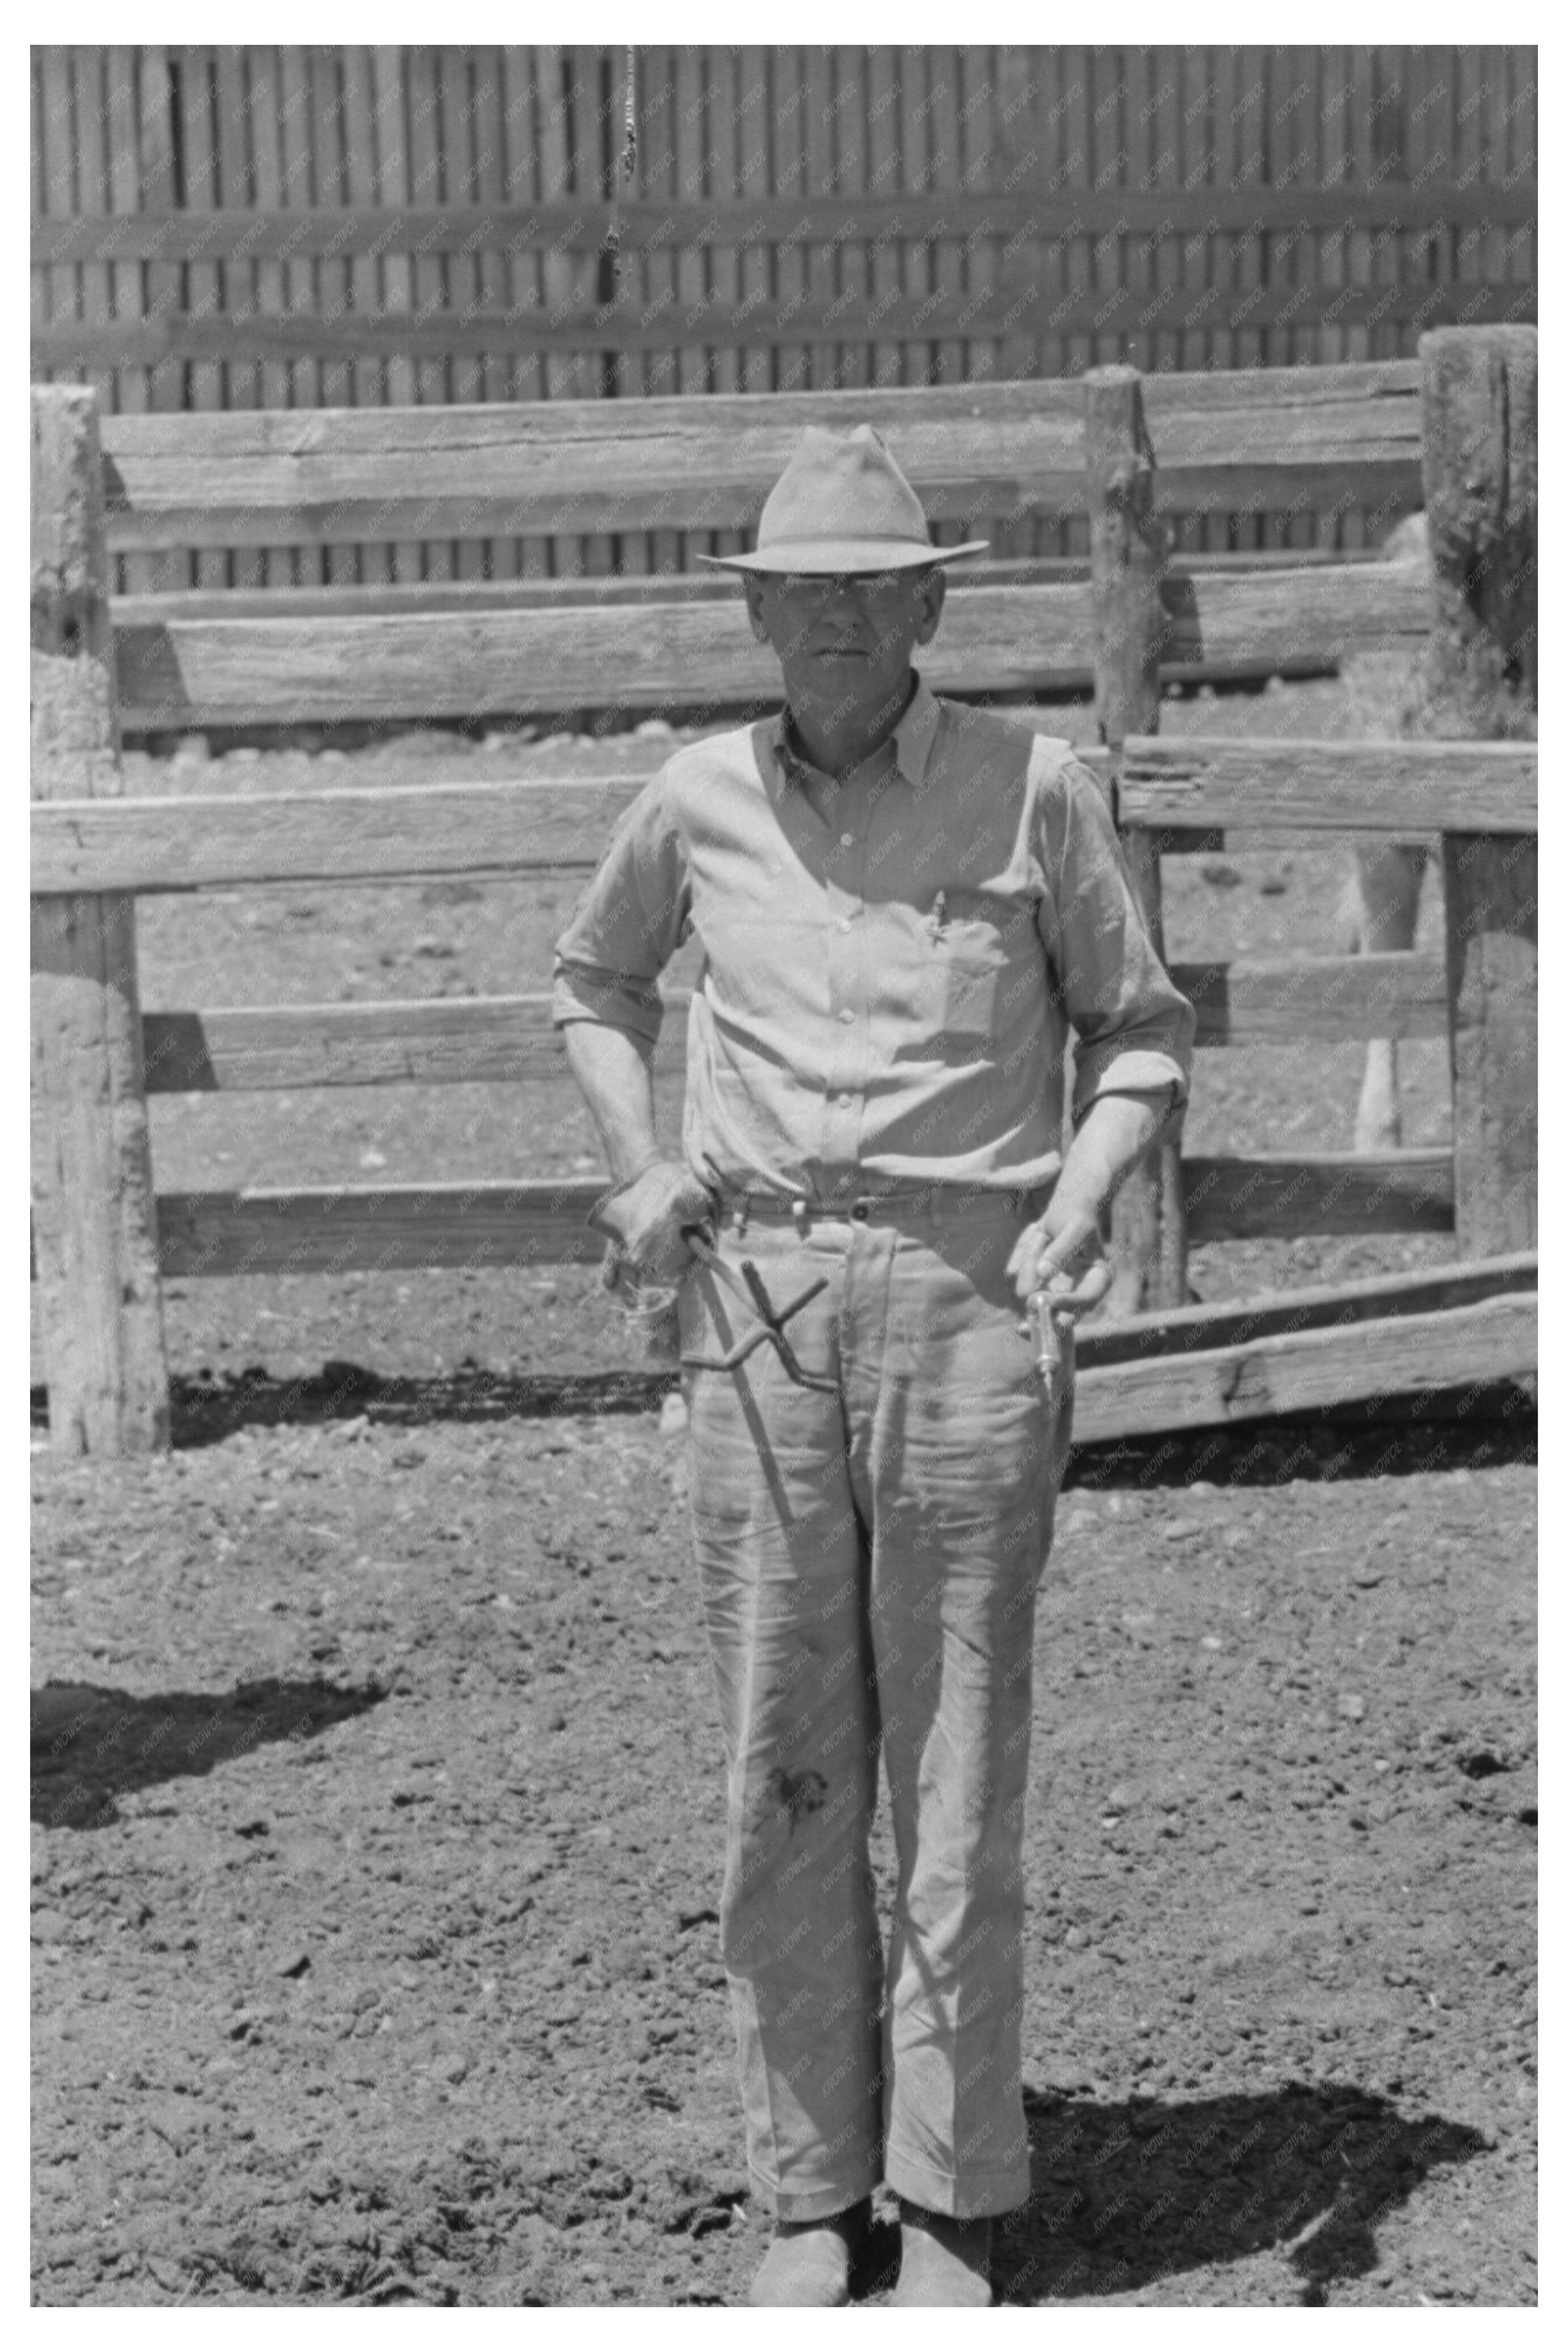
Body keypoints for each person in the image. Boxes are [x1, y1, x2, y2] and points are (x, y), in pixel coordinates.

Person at [552, 426, 1194, 2307]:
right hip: (753, 1315)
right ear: (752, 614)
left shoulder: (1031, 788)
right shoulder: (691, 799)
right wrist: (643, 1168)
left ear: (929, 604)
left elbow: (1137, 1032)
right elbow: (594, 987)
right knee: (782, 1766)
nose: (830, 623)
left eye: (868, 590)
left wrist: (1081, 1201)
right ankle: (803, 2199)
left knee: (958, 1767)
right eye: (795, 594)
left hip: (968, 1309)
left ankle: (950, 2201)